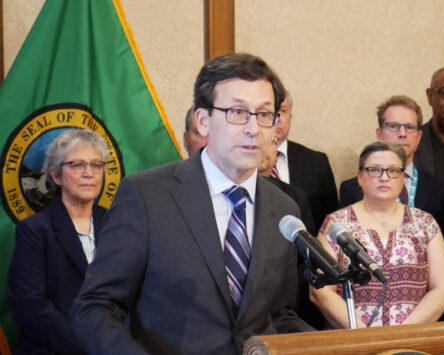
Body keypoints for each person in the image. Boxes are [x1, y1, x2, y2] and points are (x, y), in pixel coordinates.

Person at [72, 53, 313, 355]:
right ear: (202, 121)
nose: (254, 128)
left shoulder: (285, 208)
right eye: (237, 112)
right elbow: (95, 307)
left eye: (264, 114)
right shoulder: (146, 196)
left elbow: (278, 315)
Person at [310, 141, 444, 329]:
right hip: (354, 342)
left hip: (411, 342)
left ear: (402, 178)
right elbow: (320, 292)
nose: (384, 177)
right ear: (360, 177)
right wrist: (366, 336)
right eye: (374, 170)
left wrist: (402, 335)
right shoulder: (335, 224)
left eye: (393, 171)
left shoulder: (424, 223)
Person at [7, 128, 109, 355]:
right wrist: (89, 345)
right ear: (55, 175)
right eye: (77, 165)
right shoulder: (34, 230)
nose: (88, 173)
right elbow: (30, 306)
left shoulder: (116, 223)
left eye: (96, 165)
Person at [339, 95, 444, 225]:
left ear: (419, 137)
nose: (402, 133)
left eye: (409, 127)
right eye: (393, 126)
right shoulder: (352, 189)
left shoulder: (440, 189)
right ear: (379, 134)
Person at [258, 136, 323, 328]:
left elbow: (306, 260)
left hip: (284, 312)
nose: (263, 150)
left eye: (270, 144)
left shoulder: (294, 197)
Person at [273, 91, 338, 229]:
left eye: (282, 110)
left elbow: (330, 220)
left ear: (290, 117)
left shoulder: (317, 162)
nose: (276, 117)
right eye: (268, 111)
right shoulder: (244, 160)